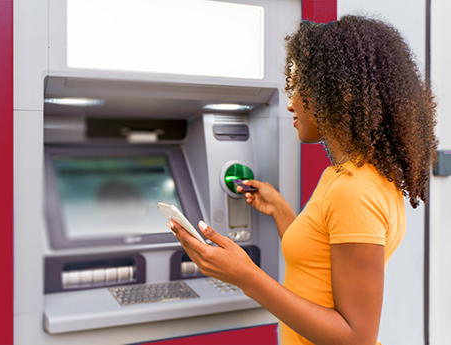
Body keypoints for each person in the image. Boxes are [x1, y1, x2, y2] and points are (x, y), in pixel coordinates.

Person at [167, 15, 437, 345]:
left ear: (342, 93)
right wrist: (281, 211)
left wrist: (246, 276)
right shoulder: (352, 175)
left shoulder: (354, 191)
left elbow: (356, 338)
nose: (290, 102)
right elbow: (320, 261)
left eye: (301, 87)